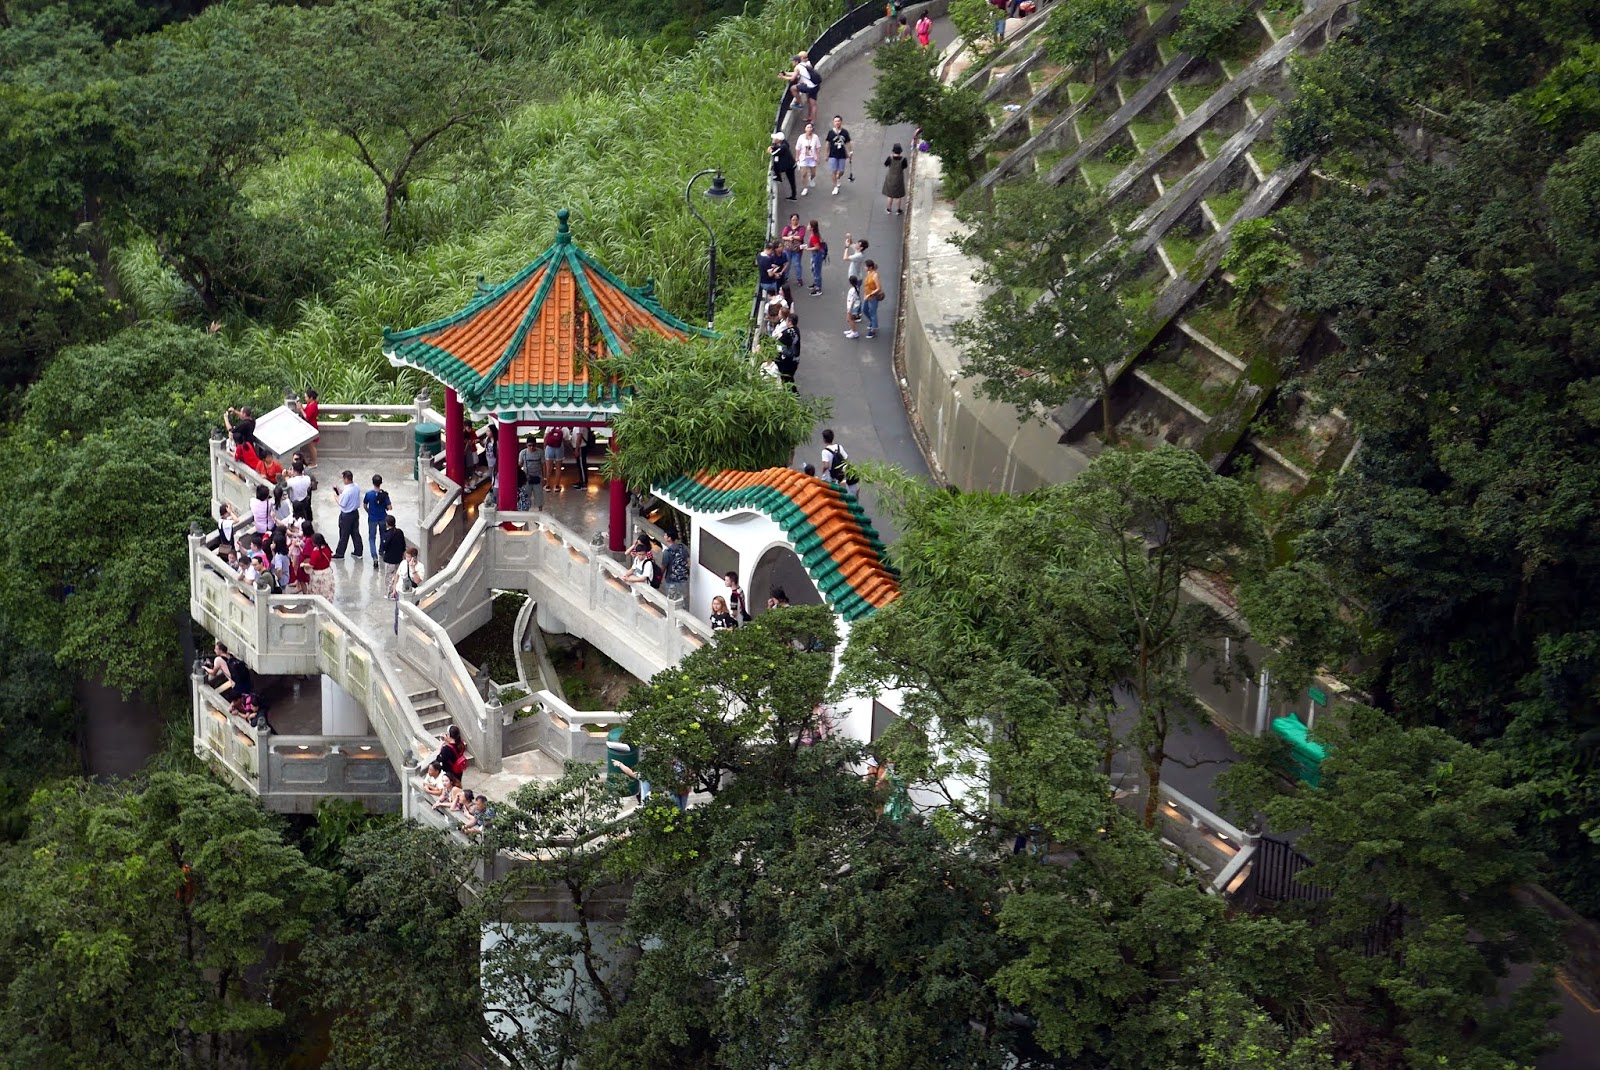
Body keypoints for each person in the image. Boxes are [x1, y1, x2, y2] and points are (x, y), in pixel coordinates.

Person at [362, 474, 391, 571]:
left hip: (372, 518)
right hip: (383, 517)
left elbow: (365, 505)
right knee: (383, 535)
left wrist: (369, 512)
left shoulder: (369, 494)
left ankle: (374, 557)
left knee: (371, 538)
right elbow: (390, 507)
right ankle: (381, 551)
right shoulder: (385, 494)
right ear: (381, 483)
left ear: (373, 482)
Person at [332, 470, 363, 559]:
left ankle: (340, 553)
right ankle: (358, 551)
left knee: (344, 535)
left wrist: (336, 498)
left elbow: (342, 504)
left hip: (346, 515)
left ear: (346, 479)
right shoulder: (356, 486)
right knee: (355, 533)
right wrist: (339, 490)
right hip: (355, 513)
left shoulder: (347, 491)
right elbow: (346, 493)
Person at [380, 517, 408, 598]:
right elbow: (403, 544)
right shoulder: (399, 532)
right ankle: (397, 592)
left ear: (387, 524)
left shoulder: (387, 534)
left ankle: (390, 593)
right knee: (397, 576)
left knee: (389, 577)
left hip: (390, 559)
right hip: (399, 558)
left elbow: (384, 547)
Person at [824, 115, 853, 195]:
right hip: (833, 154)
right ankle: (835, 187)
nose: (837, 122)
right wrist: (826, 154)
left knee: (841, 171)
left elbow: (848, 143)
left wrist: (850, 152)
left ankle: (838, 178)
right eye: (835, 121)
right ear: (833, 122)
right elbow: (828, 143)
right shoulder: (831, 132)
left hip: (842, 154)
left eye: (838, 121)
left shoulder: (845, 132)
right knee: (834, 170)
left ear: (841, 122)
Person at [659, 528, 689, 604]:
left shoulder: (667, 552)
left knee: (672, 601)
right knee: (682, 601)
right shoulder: (683, 547)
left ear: (669, 538)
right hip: (683, 579)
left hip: (671, 580)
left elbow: (664, 567)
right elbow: (688, 561)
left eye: (665, 535)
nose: (664, 536)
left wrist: (659, 578)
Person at [769, 131, 798, 200]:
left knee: (791, 181)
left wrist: (770, 150)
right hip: (789, 165)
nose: (774, 140)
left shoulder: (783, 147)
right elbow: (776, 146)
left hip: (789, 167)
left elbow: (774, 153)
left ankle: (793, 196)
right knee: (776, 165)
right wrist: (773, 146)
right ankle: (779, 178)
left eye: (775, 138)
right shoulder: (784, 143)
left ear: (779, 140)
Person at [795, 122, 822, 196]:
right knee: (803, 174)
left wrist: (818, 157)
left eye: (810, 127)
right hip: (803, 158)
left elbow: (818, 147)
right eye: (808, 127)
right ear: (805, 129)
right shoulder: (801, 137)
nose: (809, 129)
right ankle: (805, 188)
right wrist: (797, 157)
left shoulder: (815, 137)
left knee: (813, 173)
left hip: (812, 158)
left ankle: (811, 178)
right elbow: (797, 148)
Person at [775, 311, 801, 387]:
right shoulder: (796, 330)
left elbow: (779, 341)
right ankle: (794, 394)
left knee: (785, 378)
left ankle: (794, 394)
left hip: (788, 360)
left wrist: (779, 335)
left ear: (790, 322)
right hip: (795, 359)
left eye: (787, 320)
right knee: (789, 378)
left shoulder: (788, 332)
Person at [306, 533, 335, 598]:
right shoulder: (327, 548)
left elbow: (311, 565)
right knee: (327, 593)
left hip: (318, 575)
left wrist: (303, 564)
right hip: (327, 573)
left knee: (317, 593)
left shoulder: (316, 552)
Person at [862, 260, 885, 339]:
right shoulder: (869, 273)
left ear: (870, 267)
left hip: (873, 297)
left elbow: (878, 288)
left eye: (865, 266)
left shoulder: (875, 275)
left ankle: (873, 329)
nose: (864, 268)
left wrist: (870, 294)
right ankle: (872, 322)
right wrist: (866, 294)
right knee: (864, 310)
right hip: (867, 296)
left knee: (873, 312)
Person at [883, 143, 909, 214]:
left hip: (890, 179)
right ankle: (898, 210)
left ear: (893, 151)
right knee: (898, 196)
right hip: (899, 179)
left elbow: (885, 164)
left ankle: (889, 209)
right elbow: (905, 167)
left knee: (890, 195)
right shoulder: (903, 159)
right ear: (900, 151)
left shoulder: (890, 158)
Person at [518, 433, 542, 509]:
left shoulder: (540, 452)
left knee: (539, 497)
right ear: (526, 445)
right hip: (526, 478)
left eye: (533, 445)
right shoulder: (523, 453)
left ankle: (540, 511)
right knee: (526, 496)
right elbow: (520, 465)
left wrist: (545, 478)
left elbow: (543, 465)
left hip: (537, 477)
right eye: (529, 445)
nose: (531, 447)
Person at [287, 459, 314, 525]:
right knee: (305, 514)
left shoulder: (291, 481)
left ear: (295, 471)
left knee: (297, 518)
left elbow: (286, 485)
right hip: (304, 500)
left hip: (295, 502)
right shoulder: (307, 478)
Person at [780, 212, 805, 284]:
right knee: (787, 264)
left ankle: (799, 278)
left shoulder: (801, 228)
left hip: (797, 250)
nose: (795, 221)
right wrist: (788, 238)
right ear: (790, 220)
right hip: (787, 249)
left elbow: (800, 237)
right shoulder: (787, 227)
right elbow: (783, 236)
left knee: (797, 264)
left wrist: (792, 237)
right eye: (793, 220)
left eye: (796, 219)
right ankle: (785, 277)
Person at [806, 219, 826, 296]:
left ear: (812, 228)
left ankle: (818, 288)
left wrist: (808, 249)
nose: (807, 227)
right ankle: (816, 283)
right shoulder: (816, 234)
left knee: (817, 271)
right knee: (814, 269)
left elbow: (817, 247)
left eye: (809, 226)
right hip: (817, 254)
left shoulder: (814, 236)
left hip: (817, 255)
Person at [300, 389, 320, 466]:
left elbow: (307, 417)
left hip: (312, 426)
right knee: (310, 445)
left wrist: (300, 409)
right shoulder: (311, 404)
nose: (305, 399)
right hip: (310, 425)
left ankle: (314, 463)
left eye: (306, 397)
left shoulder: (313, 405)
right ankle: (312, 460)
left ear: (311, 398)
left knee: (311, 446)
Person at [543, 425, 564, 491]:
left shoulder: (549, 426)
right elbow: (567, 439)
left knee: (548, 468)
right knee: (558, 468)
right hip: (559, 448)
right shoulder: (564, 428)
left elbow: (545, 438)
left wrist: (545, 447)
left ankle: (547, 485)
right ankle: (557, 486)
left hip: (549, 448)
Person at [844, 275, 863, 339]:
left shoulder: (852, 290)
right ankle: (852, 330)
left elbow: (852, 300)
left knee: (850, 319)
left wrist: (850, 309)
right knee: (851, 319)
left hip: (852, 307)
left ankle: (854, 332)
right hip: (855, 306)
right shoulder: (856, 288)